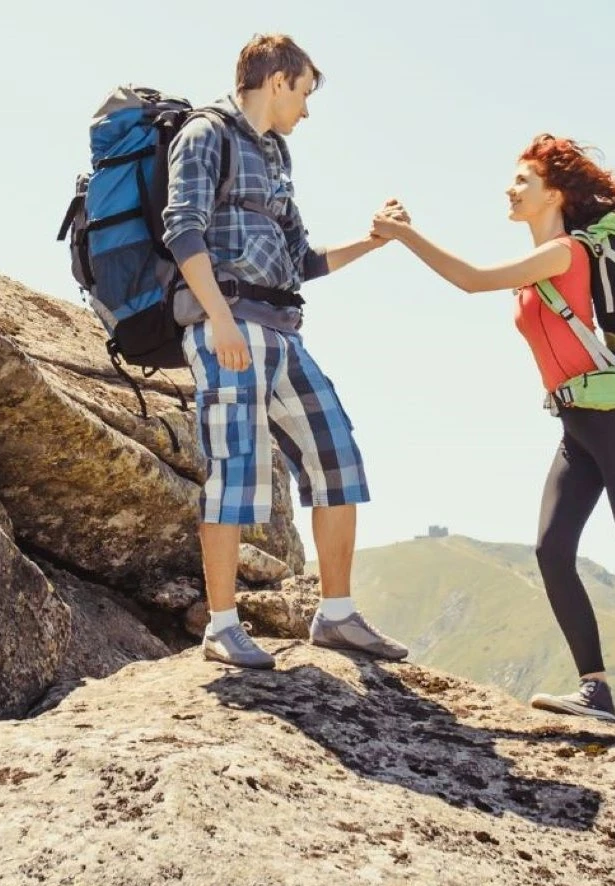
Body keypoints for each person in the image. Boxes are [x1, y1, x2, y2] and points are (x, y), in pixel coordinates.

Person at [370, 135, 615, 756]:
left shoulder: (566, 254)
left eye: (522, 181)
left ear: (554, 195)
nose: (510, 189)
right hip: (578, 427)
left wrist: (406, 235)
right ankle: (596, 690)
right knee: (552, 550)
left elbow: (472, 280)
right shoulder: (542, 266)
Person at [163, 34, 407, 670]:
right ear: (277, 81)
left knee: (337, 459)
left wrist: (373, 243)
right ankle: (221, 626)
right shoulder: (205, 133)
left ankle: (337, 616)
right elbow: (182, 227)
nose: (305, 109)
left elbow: (302, 259)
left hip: (282, 330)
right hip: (228, 327)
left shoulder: (275, 155)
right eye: (302, 93)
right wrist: (219, 320)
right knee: (236, 471)